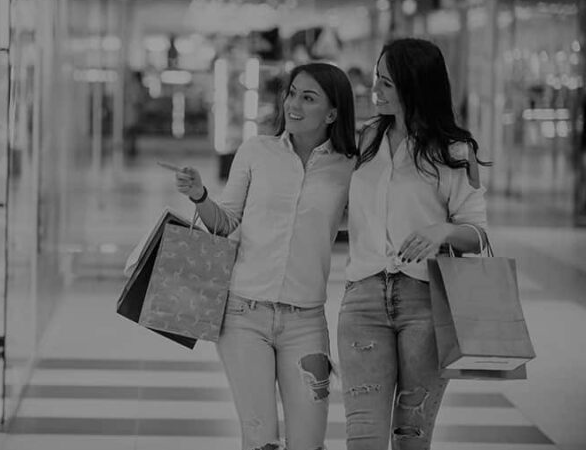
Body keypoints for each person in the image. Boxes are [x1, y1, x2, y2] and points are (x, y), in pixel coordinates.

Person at [173, 63, 357, 450]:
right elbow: (225, 223)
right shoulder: (257, 150)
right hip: (243, 316)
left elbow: (365, 222)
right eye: (292, 93)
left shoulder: (349, 167)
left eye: (308, 98)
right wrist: (199, 196)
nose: (294, 104)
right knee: (261, 441)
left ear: (332, 113)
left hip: (306, 321)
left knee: (308, 443)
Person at [338, 38, 490, 450]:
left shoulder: (457, 151)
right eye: (377, 80)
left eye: (386, 83)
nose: (376, 91)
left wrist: (442, 231)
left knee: (412, 438)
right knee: (363, 438)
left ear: (414, 86)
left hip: (427, 301)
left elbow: (478, 233)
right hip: (363, 299)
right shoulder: (366, 139)